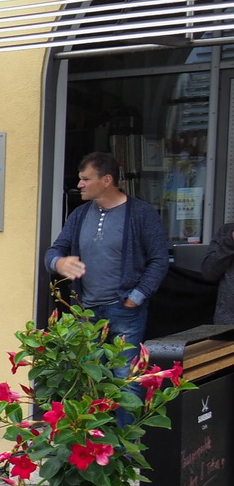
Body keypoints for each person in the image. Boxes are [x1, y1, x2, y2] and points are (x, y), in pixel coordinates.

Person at [44, 152, 169, 357]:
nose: (80, 184)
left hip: (124, 310)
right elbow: (54, 250)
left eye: (86, 179)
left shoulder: (141, 213)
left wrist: (135, 298)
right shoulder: (79, 214)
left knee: (124, 378)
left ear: (106, 180)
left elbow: (159, 260)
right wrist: (58, 263)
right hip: (85, 312)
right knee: (87, 377)